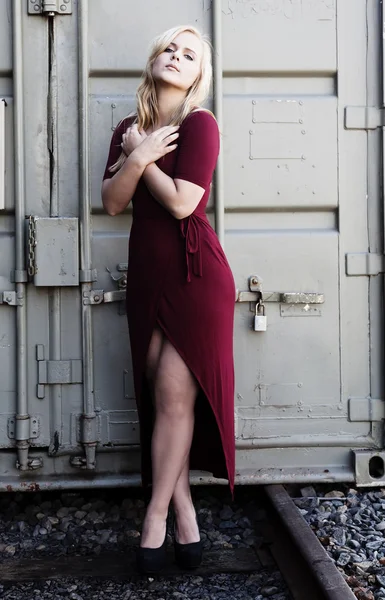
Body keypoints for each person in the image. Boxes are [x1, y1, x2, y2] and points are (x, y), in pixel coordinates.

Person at [101, 25, 235, 574]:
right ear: (154, 60)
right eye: (169, 49)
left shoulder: (200, 125)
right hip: (149, 275)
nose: (176, 57)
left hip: (195, 274)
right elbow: (112, 202)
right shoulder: (128, 129)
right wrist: (137, 151)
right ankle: (186, 516)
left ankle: (155, 518)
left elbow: (183, 205)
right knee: (161, 399)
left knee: (176, 397)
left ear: (198, 74)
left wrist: (145, 158)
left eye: (188, 54)